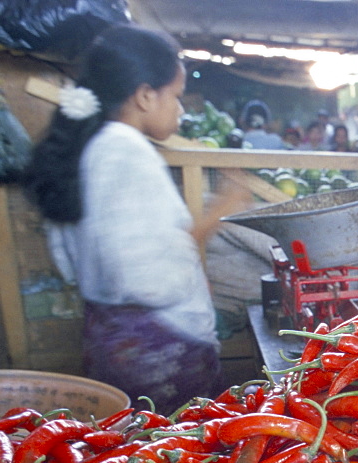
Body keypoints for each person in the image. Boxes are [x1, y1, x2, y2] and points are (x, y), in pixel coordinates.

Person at [21, 24, 248, 414]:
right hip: (156, 351)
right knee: (174, 453)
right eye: (175, 97)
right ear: (145, 95)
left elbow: (74, 258)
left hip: (107, 338)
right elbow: (150, 277)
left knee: (130, 453)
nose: (180, 109)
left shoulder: (90, 147)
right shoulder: (125, 151)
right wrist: (216, 215)